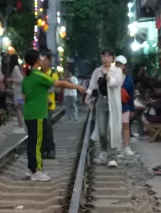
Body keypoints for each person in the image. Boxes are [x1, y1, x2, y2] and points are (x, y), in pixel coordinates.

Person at [20, 49, 86, 181]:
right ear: (37, 61)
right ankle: (37, 171)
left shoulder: (27, 77)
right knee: (38, 143)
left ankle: (30, 168)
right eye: (40, 58)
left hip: (28, 113)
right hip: (38, 114)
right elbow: (59, 83)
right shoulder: (39, 75)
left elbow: (24, 96)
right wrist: (77, 87)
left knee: (32, 142)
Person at [85, 49, 124, 167]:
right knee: (102, 131)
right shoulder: (97, 71)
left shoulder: (117, 71)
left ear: (113, 58)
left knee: (111, 130)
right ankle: (103, 152)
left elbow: (115, 83)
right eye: (104, 56)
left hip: (113, 102)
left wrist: (106, 74)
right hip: (101, 102)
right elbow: (92, 85)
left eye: (108, 56)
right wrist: (88, 96)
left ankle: (112, 157)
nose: (106, 58)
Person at [117, 55, 135, 156]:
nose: (119, 66)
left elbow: (131, 94)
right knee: (117, 127)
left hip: (126, 105)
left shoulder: (129, 79)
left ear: (124, 66)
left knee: (126, 125)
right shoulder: (112, 76)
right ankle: (118, 147)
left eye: (121, 64)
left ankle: (127, 147)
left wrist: (132, 108)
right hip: (115, 105)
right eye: (117, 64)